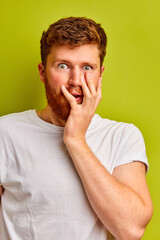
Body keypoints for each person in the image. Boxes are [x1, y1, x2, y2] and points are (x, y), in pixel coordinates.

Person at [0, 17, 152, 240]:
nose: (76, 80)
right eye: (63, 66)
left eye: (87, 67)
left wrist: (76, 139)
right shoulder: (6, 132)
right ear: (42, 73)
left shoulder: (122, 136)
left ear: (100, 74)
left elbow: (131, 230)